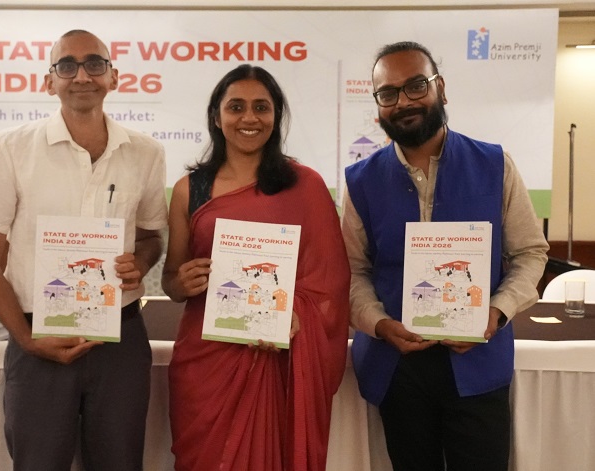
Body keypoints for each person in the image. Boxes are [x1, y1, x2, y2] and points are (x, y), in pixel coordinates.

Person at [0, 30, 168, 470]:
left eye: (94, 64)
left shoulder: (146, 153)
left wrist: (141, 262)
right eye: (67, 66)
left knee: (120, 463)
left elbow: (152, 237)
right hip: (36, 334)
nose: (82, 76)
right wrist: (25, 338)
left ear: (114, 76)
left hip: (120, 339)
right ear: (49, 81)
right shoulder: (11, 149)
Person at [341, 41, 549, 471]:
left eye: (416, 85)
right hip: (396, 367)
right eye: (388, 93)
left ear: (441, 88)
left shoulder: (495, 165)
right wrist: (378, 323)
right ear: (378, 105)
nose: (403, 101)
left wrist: (495, 313)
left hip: (478, 363)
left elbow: (530, 253)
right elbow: (353, 270)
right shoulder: (360, 181)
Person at [162, 64, 350, 471]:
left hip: (278, 359)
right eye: (236, 107)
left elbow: (332, 284)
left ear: (276, 116)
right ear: (217, 117)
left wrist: (295, 315)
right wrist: (182, 281)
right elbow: (171, 280)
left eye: (261, 107)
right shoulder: (190, 189)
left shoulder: (306, 186)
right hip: (206, 364)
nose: (249, 118)